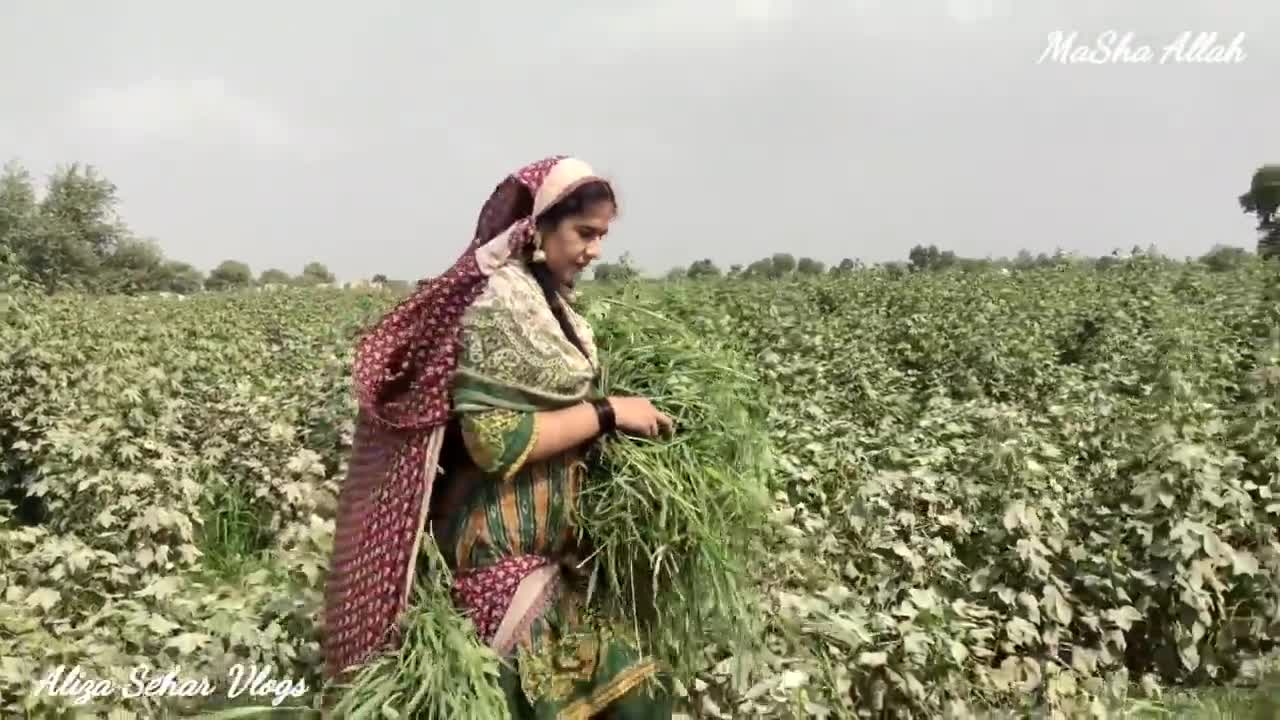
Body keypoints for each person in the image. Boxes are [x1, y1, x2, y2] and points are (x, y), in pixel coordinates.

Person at [323, 156, 675, 719]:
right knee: (627, 700)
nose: (594, 251)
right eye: (584, 234)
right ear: (538, 228)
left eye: (602, 237)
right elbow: (495, 440)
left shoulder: (548, 302)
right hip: (497, 556)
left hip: (546, 551)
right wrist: (608, 414)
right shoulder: (500, 305)